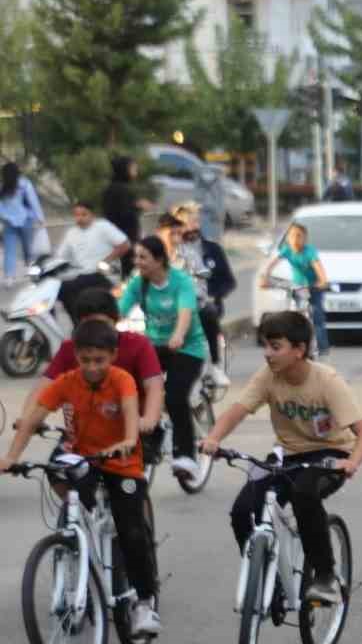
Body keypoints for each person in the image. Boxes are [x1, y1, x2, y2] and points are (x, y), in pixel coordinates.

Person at [202, 311, 362, 605]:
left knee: (304, 493)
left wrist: (352, 462)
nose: (268, 354)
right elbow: (238, 410)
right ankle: (270, 581)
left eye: (276, 347)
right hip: (286, 455)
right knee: (242, 511)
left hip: (330, 454)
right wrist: (214, 438)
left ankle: (325, 577)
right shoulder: (268, 376)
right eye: (265, 346)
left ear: (299, 350)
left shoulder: (327, 381)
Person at [0, 321, 159, 636]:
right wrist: (11, 457)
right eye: (85, 360)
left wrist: (128, 440)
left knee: (132, 532)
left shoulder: (122, 380)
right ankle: (79, 550)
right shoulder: (66, 382)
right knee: (64, 487)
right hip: (84, 459)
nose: (92, 367)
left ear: (113, 356)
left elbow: (130, 418)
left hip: (121, 463)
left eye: (99, 360)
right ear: (76, 357)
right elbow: (33, 418)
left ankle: (144, 602)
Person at [18, 288, 164, 442]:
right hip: (81, 434)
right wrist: (26, 418)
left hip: (131, 432)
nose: (97, 331)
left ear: (117, 320)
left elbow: (154, 386)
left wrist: (149, 420)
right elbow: (44, 387)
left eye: (103, 324)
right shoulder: (69, 349)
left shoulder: (138, 345)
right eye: (90, 325)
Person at [118, 236, 208, 478]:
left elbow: (185, 312)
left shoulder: (180, 281)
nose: (138, 262)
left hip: (187, 348)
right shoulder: (140, 283)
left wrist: (178, 335)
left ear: (159, 260)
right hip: (153, 347)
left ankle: (186, 455)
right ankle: (150, 434)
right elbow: (120, 308)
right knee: (133, 390)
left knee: (175, 395)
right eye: (136, 257)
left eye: (143, 257)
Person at [171, 204, 237, 389]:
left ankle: (215, 366)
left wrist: (213, 295)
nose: (191, 227)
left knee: (208, 313)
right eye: (185, 223)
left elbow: (227, 280)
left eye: (195, 222)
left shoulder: (212, 250)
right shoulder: (172, 250)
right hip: (175, 304)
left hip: (204, 302)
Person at [259, 221, 332, 358]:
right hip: (296, 287)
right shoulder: (287, 250)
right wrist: (265, 278)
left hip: (313, 287)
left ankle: (322, 349)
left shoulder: (310, 252)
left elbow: (318, 268)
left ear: (305, 238)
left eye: (299, 236)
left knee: (316, 317)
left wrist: (323, 281)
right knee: (291, 317)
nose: (295, 239)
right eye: (292, 236)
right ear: (287, 238)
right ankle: (292, 346)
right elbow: (271, 264)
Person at [55, 200, 130, 314]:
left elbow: (125, 245)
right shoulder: (71, 233)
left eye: (84, 214)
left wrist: (105, 262)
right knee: (56, 289)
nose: (80, 218)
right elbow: (60, 256)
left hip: (103, 275)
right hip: (83, 275)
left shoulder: (103, 226)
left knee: (68, 287)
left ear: (92, 215)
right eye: (77, 215)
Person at [102, 155, 146, 278]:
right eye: (133, 168)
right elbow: (126, 215)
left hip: (113, 238)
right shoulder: (123, 190)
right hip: (125, 240)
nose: (135, 171)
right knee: (129, 274)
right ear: (124, 170)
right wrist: (137, 207)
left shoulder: (110, 188)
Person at [0, 161, 46, 279]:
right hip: (26, 220)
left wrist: (5, 217)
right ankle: (32, 272)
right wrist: (40, 218)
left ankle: (9, 277)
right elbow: (33, 201)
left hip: (8, 223)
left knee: (10, 250)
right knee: (29, 249)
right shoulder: (24, 184)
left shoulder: (2, 186)